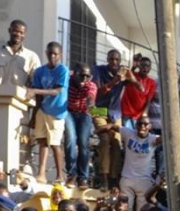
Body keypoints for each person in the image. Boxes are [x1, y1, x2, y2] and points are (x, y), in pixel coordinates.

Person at [95, 118, 160, 211]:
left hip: (144, 181)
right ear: (136, 125)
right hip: (127, 179)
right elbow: (112, 126)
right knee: (124, 210)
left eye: (145, 124)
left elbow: (167, 138)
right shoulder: (129, 133)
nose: (142, 126)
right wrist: (95, 131)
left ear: (150, 126)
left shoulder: (153, 139)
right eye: (140, 124)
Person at [27, 42, 69, 184]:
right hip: (43, 110)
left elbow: (56, 91)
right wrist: (34, 115)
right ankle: (41, 174)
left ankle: (60, 176)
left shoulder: (63, 70)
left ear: (60, 55)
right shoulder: (39, 71)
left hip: (57, 112)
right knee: (42, 141)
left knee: (55, 143)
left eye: (55, 54)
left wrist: (34, 90)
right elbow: (38, 97)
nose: (52, 56)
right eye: (50, 53)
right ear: (46, 53)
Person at [92, 49, 126, 189]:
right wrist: (114, 82)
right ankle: (104, 177)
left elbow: (139, 86)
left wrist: (133, 69)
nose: (114, 62)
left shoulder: (122, 72)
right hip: (98, 109)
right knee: (105, 140)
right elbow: (97, 92)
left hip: (115, 113)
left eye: (117, 60)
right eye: (111, 59)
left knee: (117, 143)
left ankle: (113, 178)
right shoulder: (98, 71)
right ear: (107, 59)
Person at [0, 19, 40, 86]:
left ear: (24, 35)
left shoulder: (32, 57)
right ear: (9, 30)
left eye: (21, 32)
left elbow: (35, 81)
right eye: (15, 31)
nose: (18, 34)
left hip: (20, 95)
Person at [64, 63, 97, 187]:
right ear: (74, 74)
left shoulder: (91, 85)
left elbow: (91, 96)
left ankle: (83, 177)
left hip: (85, 113)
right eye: (81, 75)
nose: (84, 79)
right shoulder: (67, 82)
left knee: (83, 143)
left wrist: (91, 103)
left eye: (87, 76)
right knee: (71, 139)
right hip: (69, 112)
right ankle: (71, 174)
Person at [120, 56, 156, 128]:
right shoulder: (133, 76)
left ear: (150, 68)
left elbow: (149, 99)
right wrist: (133, 67)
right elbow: (126, 78)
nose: (145, 68)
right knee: (127, 135)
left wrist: (144, 113)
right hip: (127, 112)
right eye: (143, 65)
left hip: (139, 115)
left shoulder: (152, 82)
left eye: (147, 66)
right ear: (139, 66)